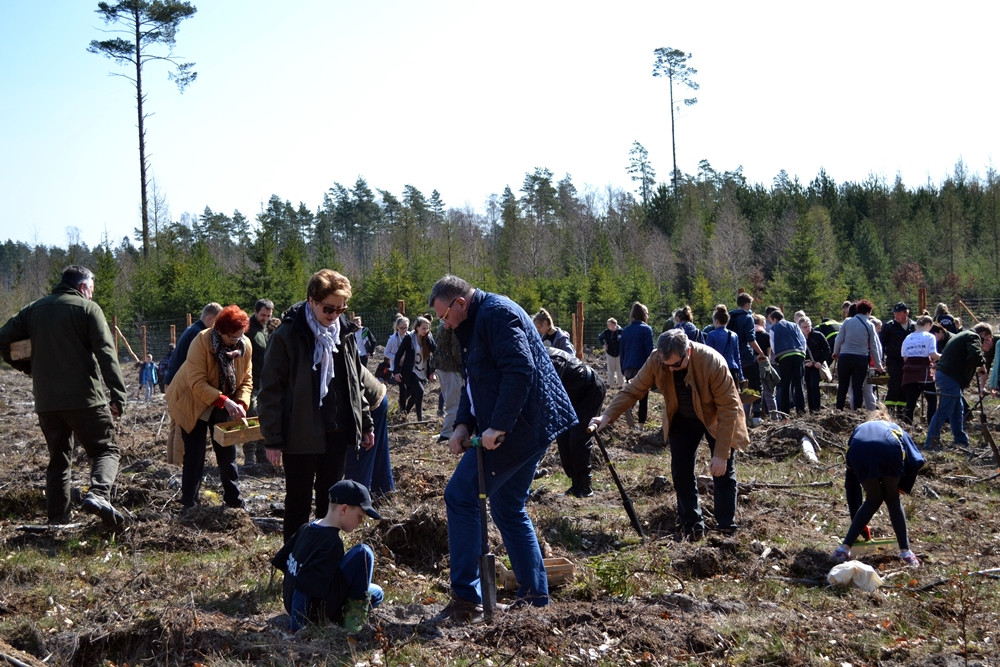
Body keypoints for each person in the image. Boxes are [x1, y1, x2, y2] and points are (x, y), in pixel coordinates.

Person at [428, 275, 576, 621]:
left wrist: (498, 426)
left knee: (461, 496)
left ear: (460, 303)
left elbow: (520, 370)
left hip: (520, 429)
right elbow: (474, 381)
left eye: (444, 315)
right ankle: (534, 598)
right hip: (520, 428)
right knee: (508, 506)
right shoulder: (471, 324)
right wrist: (463, 423)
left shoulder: (496, 315)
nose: (443, 323)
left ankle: (466, 598)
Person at [0, 265, 127, 529]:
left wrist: (29, 368)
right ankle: (99, 495)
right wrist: (118, 394)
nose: (92, 295)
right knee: (106, 449)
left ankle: (57, 519)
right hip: (85, 399)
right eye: (91, 289)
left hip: (47, 402)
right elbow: (106, 353)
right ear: (83, 287)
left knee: (59, 460)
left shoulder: (33, 310)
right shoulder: (87, 309)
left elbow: (3, 340)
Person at [592, 329, 748, 539]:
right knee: (681, 471)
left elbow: (729, 407)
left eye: (676, 365)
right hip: (682, 418)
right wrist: (607, 416)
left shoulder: (712, 362)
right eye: (667, 366)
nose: (671, 370)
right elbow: (633, 390)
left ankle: (726, 528)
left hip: (717, 418)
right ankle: (692, 527)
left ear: (688, 352)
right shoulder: (657, 359)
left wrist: (721, 454)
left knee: (722, 470)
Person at [258, 269, 375, 542]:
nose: (334, 315)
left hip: (336, 432)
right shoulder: (288, 334)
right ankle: (295, 565)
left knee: (332, 504)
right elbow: (270, 391)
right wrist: (273, 439)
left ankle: (326, 561)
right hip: (299, 435)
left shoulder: (344, 334)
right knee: (298, 503)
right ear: (312, 300)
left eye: (341, 308)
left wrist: (365, 423)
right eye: (329, 308)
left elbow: (356, 382)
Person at [165, 305, 252, 511]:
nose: (237, 341)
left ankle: (234, 500)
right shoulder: (201, 341)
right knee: (194, 454)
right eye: (232, 338)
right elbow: (196, 382)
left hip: (223, 401)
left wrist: (240, 403)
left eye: (240, 336)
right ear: (220, 331)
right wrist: (225, 401)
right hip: (191, 399)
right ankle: (189, 503)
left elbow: (246, 379)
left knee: (227, 452)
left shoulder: (244, 345)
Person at [272, 480, 384, 633]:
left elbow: (283, 562)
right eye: (360, 516)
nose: (361, 522)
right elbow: (303, 587)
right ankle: (352, 624)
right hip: (315, 613)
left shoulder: (306, 528)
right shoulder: (331, 543)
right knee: (364, 555)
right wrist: (296, 629)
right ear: (344, 509)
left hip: (291, 604)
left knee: (375, 590)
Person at [832, 419, 924, 567]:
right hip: (890, 450)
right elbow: (916, 460)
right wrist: (903, 486)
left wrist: (856, 516)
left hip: (859, 452)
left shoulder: (859, 428)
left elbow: (851, 483)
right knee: (892, 498)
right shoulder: (896, 428)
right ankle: (906, 552)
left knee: (873, 499)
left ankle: (843, 549)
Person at [546, 347, 607, 498]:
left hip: (590, 390)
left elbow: (549, 394)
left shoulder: (553, 361)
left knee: (578, 438)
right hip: (570, 395)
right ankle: (575, 484)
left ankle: (585, 486)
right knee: (563, 438)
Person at [925, 323, 993, 449]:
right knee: (944, 409)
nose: (987, 342)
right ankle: (931, 442)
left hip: (949, 375)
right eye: (987, 338)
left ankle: (960, 440)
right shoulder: (973, 336)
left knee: (957, 409)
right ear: (982, 333)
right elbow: (974, 355)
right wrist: (982, 363)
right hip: (949, 376)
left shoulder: (963, 335)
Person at [344, 366, 395, 498]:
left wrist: (366, 425)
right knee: (378, 453)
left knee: (358, 456)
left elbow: (355, 391)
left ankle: (357, 503)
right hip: (375, 395)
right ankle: (385, 492)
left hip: (368, 403)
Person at [832, 299, 884, 411]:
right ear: (868, 312)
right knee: (857, 387)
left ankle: (838, 410)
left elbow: (839, 339)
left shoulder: (847, 322)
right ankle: (857, 412)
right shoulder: (870, 325)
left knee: (843, 386)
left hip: (845, 357)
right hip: (861, 358)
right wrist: (879, 365)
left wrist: (835, 352)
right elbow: (874, 346)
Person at [728, 293, 766, 424]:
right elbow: (751, 339)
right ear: (747, 304)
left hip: (731, 358)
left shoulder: (729, 317)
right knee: (756, 385)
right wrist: (761, 353)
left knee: (734, 388)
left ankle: (737, 417)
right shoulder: (747, 317)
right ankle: (756, 417)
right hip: (746, 357)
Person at [244, 298, 274, 467]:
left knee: (265, 416)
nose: (266, 318)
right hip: (251, 382)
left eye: (268, 315)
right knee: (252, 415)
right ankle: (249, 456)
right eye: (263, 315)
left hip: (266, 382)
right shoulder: (247, 329)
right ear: (255, 312)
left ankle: (262, 453)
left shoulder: (267, 328)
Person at [164, 302, 222, 385]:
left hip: (174, 378)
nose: (217, 326)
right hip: (179, 382)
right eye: (216, 321)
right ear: (210, 318)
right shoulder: (199, 333)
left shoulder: (193, 328)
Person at [394, 316, 436, 421]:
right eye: (423, 328)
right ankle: (420, 420)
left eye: (428, 328)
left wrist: (432, 371)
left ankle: (403, 413)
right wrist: (396, 372)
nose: (426, 331)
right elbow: (398, 355)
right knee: (420, 391)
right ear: (417, 328)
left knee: (414, 396)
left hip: (423, 371)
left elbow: (435, 351)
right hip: (411, 371)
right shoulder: (409, 338)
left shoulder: (428, 337)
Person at [619, 302, 655, 426]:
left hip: (628, 367)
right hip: (642, 367)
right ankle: (641, 425)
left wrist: (623, 369)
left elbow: (622, 351)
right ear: (644, 315)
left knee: (632, 393)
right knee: (643, 398)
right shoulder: (646, 329)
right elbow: (650, 351)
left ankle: (628, 407)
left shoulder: (626, 330)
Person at [901, 316, 940, 425]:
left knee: (910, 403)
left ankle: (907, 427)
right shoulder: (929, 336)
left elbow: (905, 358)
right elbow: (933, 355)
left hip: (909, 373)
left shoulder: (907, 338)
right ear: (928, 324)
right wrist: (945, 356)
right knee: (932, 401)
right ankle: (931, 427)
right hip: (924, 373)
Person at [768, 309, 807, 417]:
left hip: (784, 356)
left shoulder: (774, 328)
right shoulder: (794, 325)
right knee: (799, 384)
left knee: (786, 384)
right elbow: (802, 340)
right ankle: (801, 410)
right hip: (798, 355)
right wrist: (802, 353)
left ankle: (785, 412)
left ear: (775, 319)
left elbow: (773, 344)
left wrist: (777, 356)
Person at [880, 302, 915, 419]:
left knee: (905, 386)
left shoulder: (914, 326)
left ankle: (901, 414)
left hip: (909, 362)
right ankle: (888, 412)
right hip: (894, 360)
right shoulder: (889, 326)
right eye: (895, 314)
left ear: (906, 313)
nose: (896, 316)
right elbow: (881, 344)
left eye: (899, 313)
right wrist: (881, 359)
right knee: (894, 385)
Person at [434, 320, 464, 443]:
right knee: (454, 401)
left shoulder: (444, 324)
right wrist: (461, 366)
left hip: (442, 366)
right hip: (450, 367)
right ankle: (446, 434)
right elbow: (455, 349)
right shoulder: (451, 325)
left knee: (450, 399)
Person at [799, 316, 832, 414]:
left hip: (816, 366)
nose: (807, 329)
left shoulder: (818, 335)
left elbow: (827, 350)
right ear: (800, 327)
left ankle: (817, 410)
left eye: (808, 326)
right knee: (808, 387)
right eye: (804, 327)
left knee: (814, 386)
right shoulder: (799, 337)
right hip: (806, 366)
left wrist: (819, 362)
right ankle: (811, 410)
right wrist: (805, 362)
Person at [704, 305, 744, 386]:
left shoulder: (711, 335)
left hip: (717, 369)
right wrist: (741, 375)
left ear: (716, 320)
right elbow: (737, 356)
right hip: (733, 369)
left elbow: (708, 356)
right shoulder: (734, 335)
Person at [381, 314, 410, 409]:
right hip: (397, 367)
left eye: (406, 327)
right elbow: (386, 353)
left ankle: (403, 402)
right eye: (402, 328)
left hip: (408, 366)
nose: (404, 330)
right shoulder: (392, 339)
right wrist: (397, 357)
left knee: (410, 388)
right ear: (397, 327)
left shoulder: (410, 336)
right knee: (403, 387)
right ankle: (402, 409)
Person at [754, 314, 778, 421]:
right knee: (769, 393)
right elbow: (768, 354)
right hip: (764, 365)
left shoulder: (750, 336)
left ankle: (750, 418)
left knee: (753, 393)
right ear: (760, 323)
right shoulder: (766, 336)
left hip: (752, 366)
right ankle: (774, 417)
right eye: (764, 323)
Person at [598, 318, 623, 389]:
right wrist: (603, 345)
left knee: (619, 370)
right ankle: (610, 385)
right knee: (610, 370)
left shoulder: (621, 332)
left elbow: (626, 341)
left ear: (614, 324)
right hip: (610, 353)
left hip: (619, 354)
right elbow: (600, 337)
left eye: (609, 324)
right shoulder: (606, 332)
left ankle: (620, 385)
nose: (607, 326)